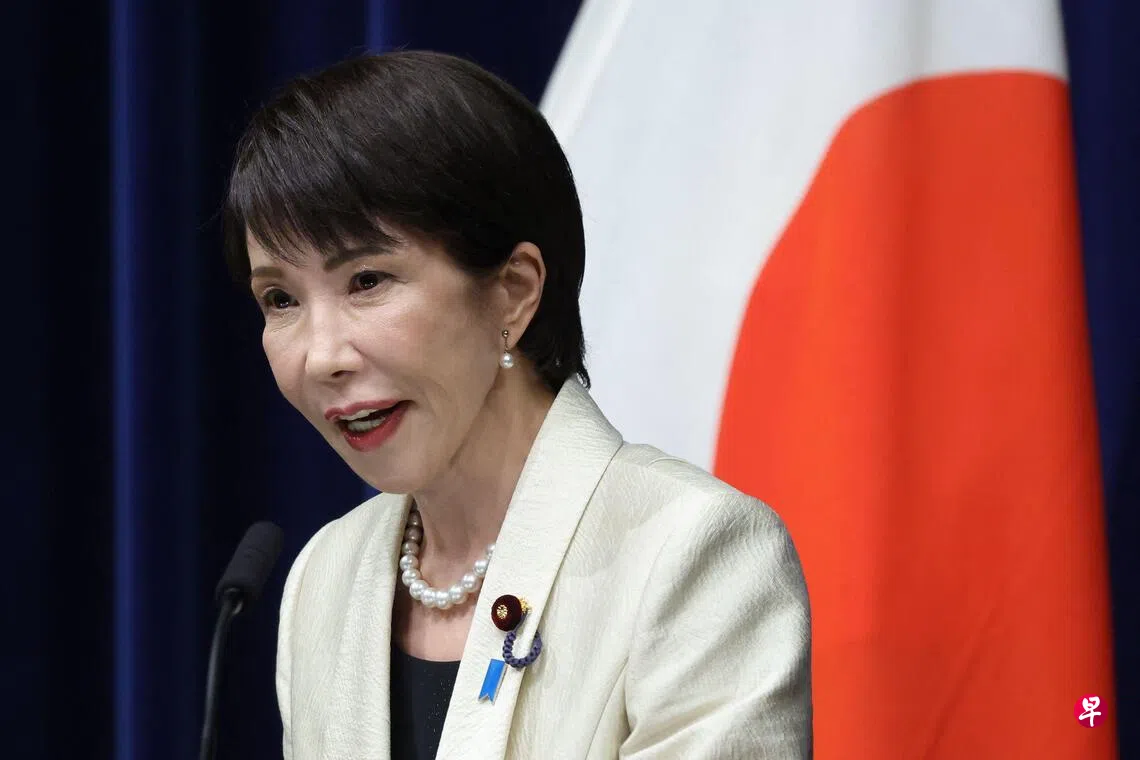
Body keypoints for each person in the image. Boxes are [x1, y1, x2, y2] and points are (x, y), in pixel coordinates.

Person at [223, 50, 811, 760]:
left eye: (368, 280)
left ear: (514, 291)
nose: (321, 357)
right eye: (280, 299)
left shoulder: (691, 552)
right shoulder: (326, 576)